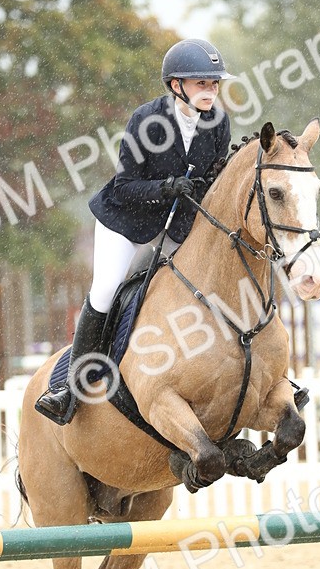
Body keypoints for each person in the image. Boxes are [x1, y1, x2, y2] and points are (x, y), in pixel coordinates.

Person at [35, 38, 233, 425]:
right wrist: (167, 187)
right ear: (176, 86)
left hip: (175, 225)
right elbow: (125, 185)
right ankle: (70, 391)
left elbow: (213, 179)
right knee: (108, 287)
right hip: (125, 222)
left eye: (214, 84)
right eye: (202, 84)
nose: (211, 91)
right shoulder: (147, 120)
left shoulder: (218, 123)